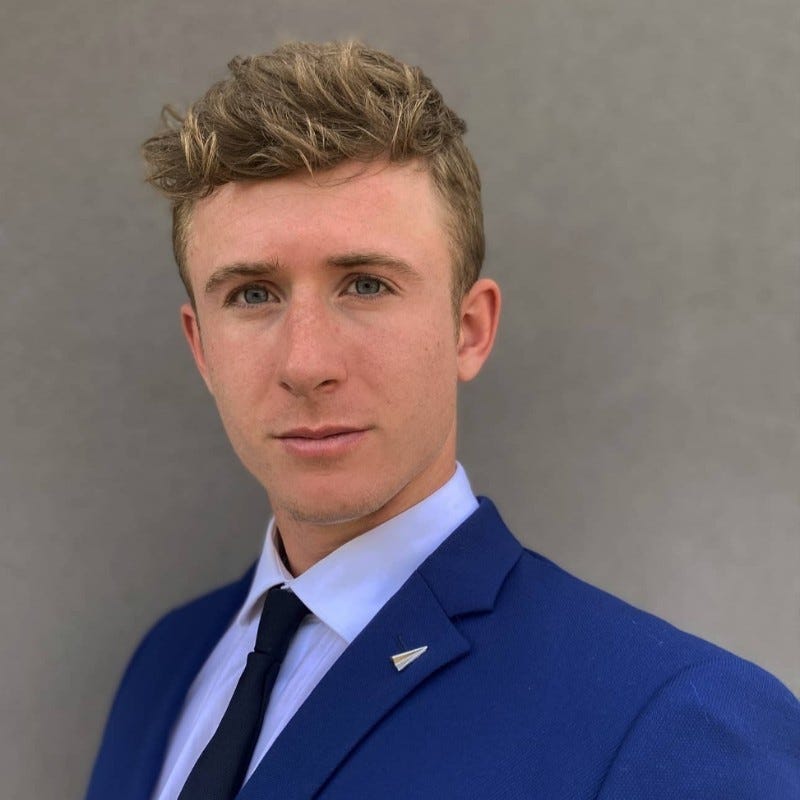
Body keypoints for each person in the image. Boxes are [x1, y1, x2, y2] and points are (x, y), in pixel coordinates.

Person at [86, 41, 799, 800]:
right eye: (253, 295)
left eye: (365, 284)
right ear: (201, 348)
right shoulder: (167, 665)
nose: (306, 362)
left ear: (470, 329)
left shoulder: (677, 724)